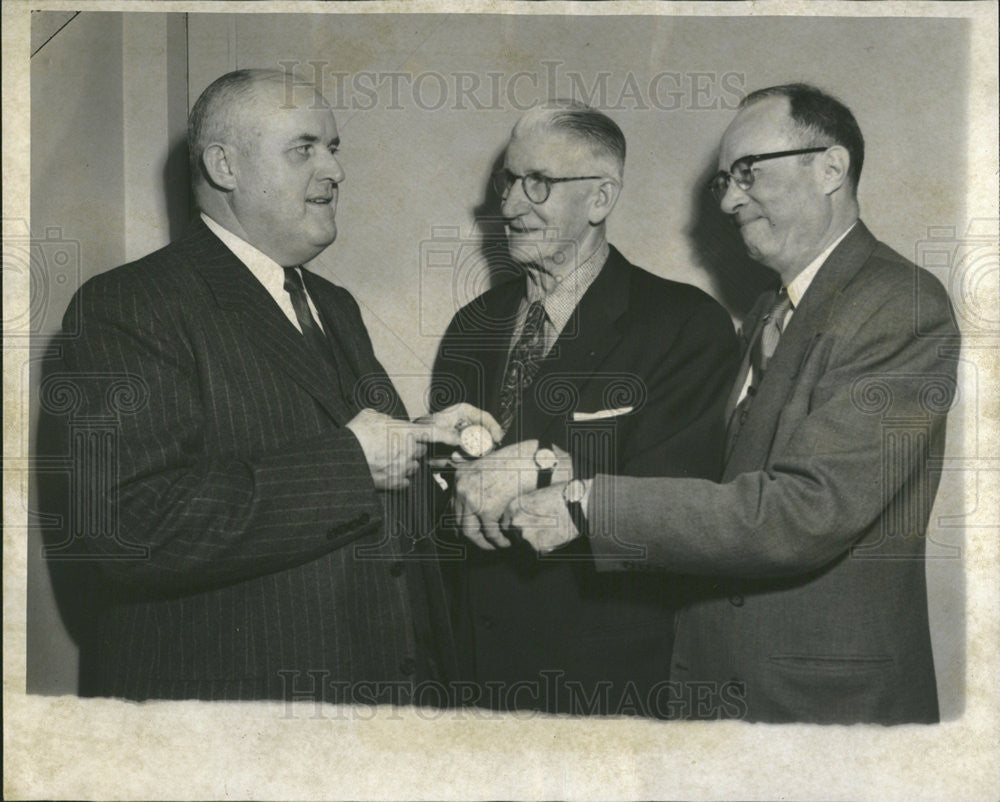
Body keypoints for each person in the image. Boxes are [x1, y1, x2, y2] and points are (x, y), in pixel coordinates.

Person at [506, 84, 960, 724]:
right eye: (724, 179)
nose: (726, 199)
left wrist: (586, 503)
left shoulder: (902, 304)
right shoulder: (767, 313)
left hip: (825, 711)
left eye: (747, 172)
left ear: (830, 167)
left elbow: (804, 512)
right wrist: (552, 470)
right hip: (722, 692)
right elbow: (714, 485)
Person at [51, 69, 500, 703]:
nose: (335, 170)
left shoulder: (332, 304)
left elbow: (369, 480)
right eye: (305, 148)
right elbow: (129, 528)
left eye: (334, 148)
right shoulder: (129, 304)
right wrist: (351, 463)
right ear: (224, 166)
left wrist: (428, 446)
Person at [431, 100, 739, 715]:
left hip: (601, 688)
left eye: (538, 184)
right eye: (509, 181)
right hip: (471, 681)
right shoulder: (472, 327)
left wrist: (551, 466)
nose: (511, 206)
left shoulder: (685, 325)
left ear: (600, 199)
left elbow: (673, 509)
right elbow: (445, 498)